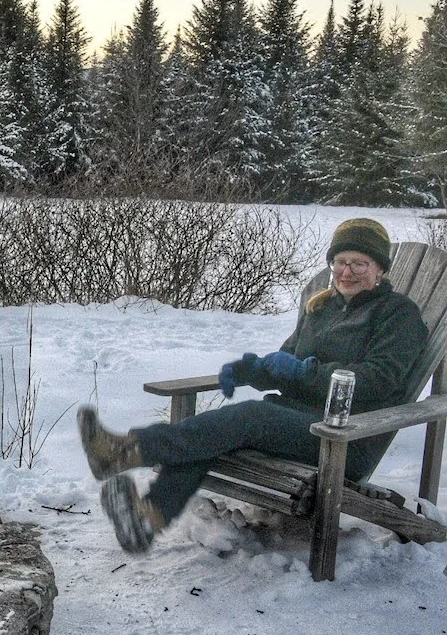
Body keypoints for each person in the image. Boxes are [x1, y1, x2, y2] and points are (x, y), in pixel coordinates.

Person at [77, 218, 429, 553]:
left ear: (380, 269)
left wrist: (302, 372)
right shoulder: (322, 308)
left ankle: (125, 451)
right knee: (214, 435)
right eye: (340, 261)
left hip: (346, 438)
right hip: (297, 420)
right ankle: (146, 518)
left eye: (360, 263)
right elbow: (286, 365)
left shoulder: (398, 315)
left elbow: (377, 382)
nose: (346, 271)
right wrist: (252, 371)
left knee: (249, 418)